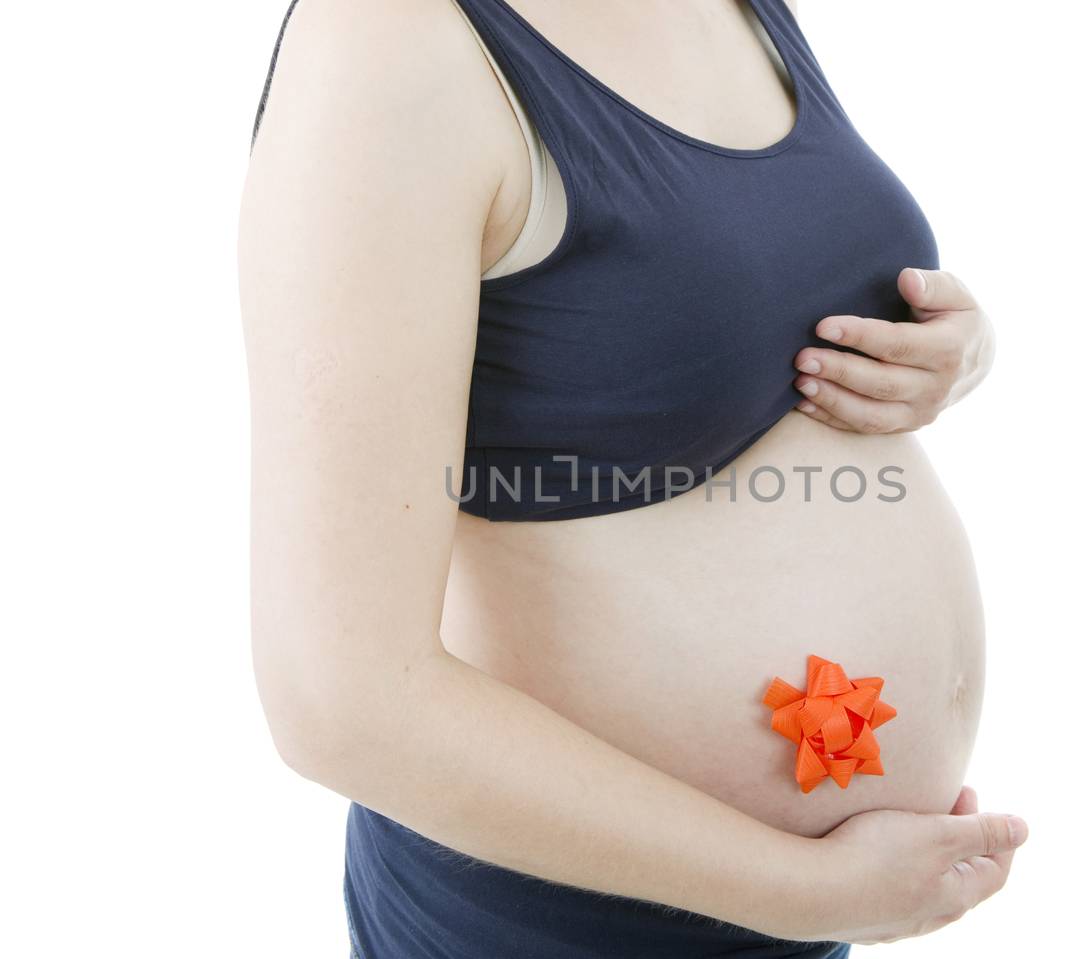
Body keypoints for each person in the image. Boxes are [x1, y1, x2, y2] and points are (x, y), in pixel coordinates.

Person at [238, 0, 1027, 955]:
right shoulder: (387, 42)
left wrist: (956, 351)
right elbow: (340, 702)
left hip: (802, 916)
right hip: (557, 927)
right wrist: (801, 889)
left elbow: (738, 279)